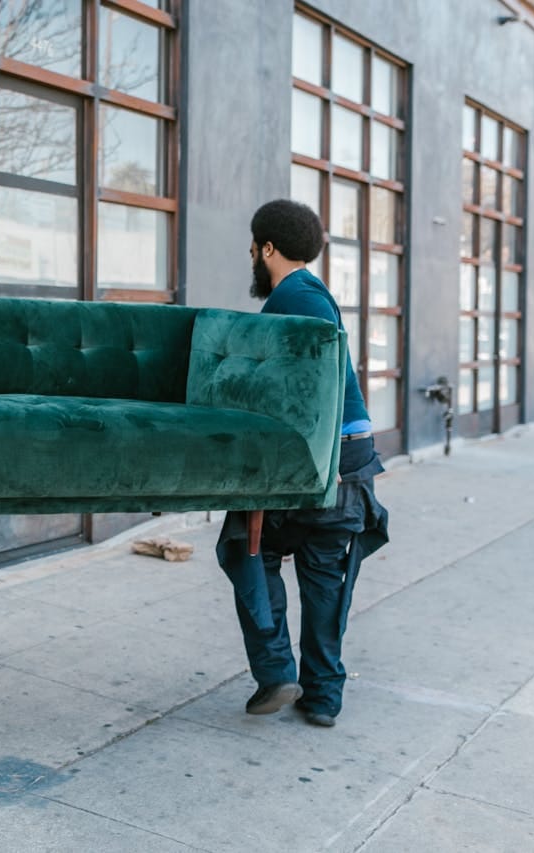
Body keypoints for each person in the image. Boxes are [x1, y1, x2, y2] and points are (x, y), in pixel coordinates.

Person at [217, 199, 389, 728]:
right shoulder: (311, 293)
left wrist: (322, 455)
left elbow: (319, 381)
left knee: (246, 547)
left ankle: (276, 672)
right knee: (323, 572)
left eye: (253, 247)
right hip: (347, 456)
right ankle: (322, 696)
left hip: (324, 458)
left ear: (267, 248)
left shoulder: (297, 298)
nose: (251, 256)